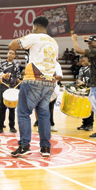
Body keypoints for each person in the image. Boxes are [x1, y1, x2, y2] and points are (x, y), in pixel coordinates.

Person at [9, 16, 58, 157]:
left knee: (24, 113)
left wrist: (28, 37)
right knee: (43, 115)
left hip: (33, 79)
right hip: (49, 81)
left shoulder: (33, 37)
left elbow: (11, 45)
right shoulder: (53, 42)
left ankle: (24, 146)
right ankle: (45, 148)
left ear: (35, 27)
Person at [72, 34, 96, 139]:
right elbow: (93, 44)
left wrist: (74, 40)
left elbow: (78, 50)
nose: (88, 45)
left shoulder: (95, 51)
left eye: (90, 43)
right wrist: (87, 40)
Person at [0, 49, 21, 134]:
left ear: (15, 56)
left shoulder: (16, 66)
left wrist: (20, 81)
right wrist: (0, 79)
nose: (11, 55)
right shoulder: (2, 64)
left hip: (13, 88)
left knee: (12, 108)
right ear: (7, 54)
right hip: (3, 88)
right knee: (2, 108)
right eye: (10, 53)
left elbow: (17, 77)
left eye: (13, 53)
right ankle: (0, 126)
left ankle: (12, 126)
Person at [76, 56, 94, 131]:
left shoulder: (93, 68)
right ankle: (84, 123)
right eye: (81, 61)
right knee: (84, 107)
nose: (82, 62)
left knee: (89, 108)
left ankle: (90, 124)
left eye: (84, 60)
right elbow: (78, 79)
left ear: (87, 59)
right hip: (83, 90)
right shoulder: (81, 69)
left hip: (91, 89)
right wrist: (79, 82)